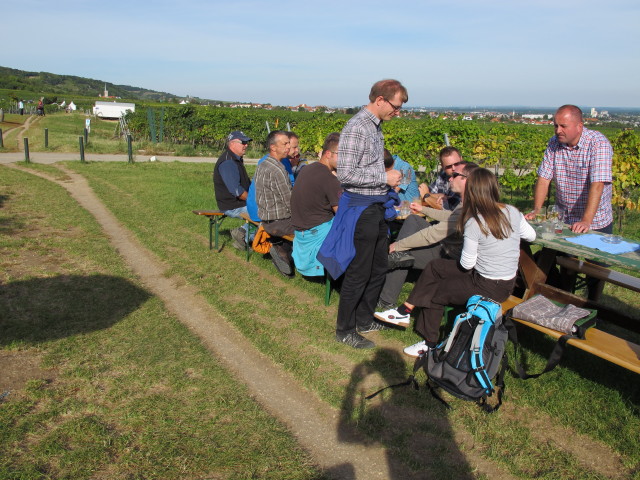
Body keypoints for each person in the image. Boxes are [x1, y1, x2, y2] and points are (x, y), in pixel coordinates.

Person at [376, 168, 536, 357]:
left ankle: (429, 343)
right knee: (435, 266)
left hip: (487, 284)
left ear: (471, 191)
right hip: (507, 281)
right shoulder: (512, 211)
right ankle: (405, 309)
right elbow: (531, 236)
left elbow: (467, 264)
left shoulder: (475, 222)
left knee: (436, 291)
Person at [318, 79, 407, 349]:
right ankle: (345, 329)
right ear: (380, 100)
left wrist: (388, 180)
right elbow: (346, 174)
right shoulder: (357, 127)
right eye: (396, 106)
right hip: (361, 209)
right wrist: (384, 175)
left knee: (379, 266)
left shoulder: (375, 127)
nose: (398, 112)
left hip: (376, 205)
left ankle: (365, 319)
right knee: (359, 270)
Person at [376, 162, 479, 313]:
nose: (450, 179)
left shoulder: (469, 206)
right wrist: (423, 209)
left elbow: (432, 235)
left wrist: (397, 245)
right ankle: (392, 265)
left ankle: (386, 300)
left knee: (402, 254)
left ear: (467, 180)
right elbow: (451, 217)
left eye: (455, 175)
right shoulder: (470, 200)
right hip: (447, 246)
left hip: (449, 256)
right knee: (414, 220)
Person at [525, 105, 613, 234]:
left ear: (579, 126)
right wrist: (537, 210)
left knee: (594, 254)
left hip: (595, 221)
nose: (558, 130)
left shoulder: (598, 144)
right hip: (563, 219)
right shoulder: (554, 143)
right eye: (556, 126)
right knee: (556, 253)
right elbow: (544, 179)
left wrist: (586, 221)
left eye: (563, 126)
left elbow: (598, 185)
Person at [291, 133, 342, 276]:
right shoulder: (329, 179)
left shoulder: (308, 168)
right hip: (315, 234)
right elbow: (342, 214)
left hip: (301, 232)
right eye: (341, 154)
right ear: (328, 154)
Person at [254, 130, 295, 276]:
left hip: (266, 219)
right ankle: (307, 264)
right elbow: (290, 201)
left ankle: (281, 250)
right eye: (285, 143)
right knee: (314, 228)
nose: (288, 147)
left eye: (289, 143)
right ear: (273, 147)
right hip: (280, 222)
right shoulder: (278, 169)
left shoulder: (263, 164)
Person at [213, 130, 253, 249]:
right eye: (243, 142)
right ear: (232, 143)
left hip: (237, 203)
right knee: (267, 213)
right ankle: (244, 235)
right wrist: (255, 201)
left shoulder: (235, 159)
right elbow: (237, 192)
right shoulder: (228, 162)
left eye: (247, 142)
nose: (246, 145)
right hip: (232, 206)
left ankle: (245, 235)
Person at [420, 146, 463, 211]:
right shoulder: (444, 175)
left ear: (461, 159)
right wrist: (437, 196)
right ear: (443, 166)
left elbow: (452, 208)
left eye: (457, 164)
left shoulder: (467, 177)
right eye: (449, 166)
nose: (453, 168)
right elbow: (429, 192)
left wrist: (427, 196)